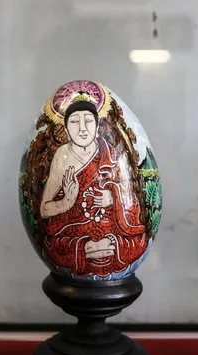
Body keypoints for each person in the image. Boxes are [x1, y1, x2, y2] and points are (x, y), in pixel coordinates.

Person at [40, 95, 147, 277]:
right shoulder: (62, 156)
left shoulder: (111, 153)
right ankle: (84, 249)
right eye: (74, 122)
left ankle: (106, 247)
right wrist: (66, 202)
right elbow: (44, 210)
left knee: (136, 243)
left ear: (97, 127)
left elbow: (133, 202)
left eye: (88, 122)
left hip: (111, 230)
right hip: (74, 231)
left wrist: (113, 197)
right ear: (66, 128)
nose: (82, 129)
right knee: (56, 246)